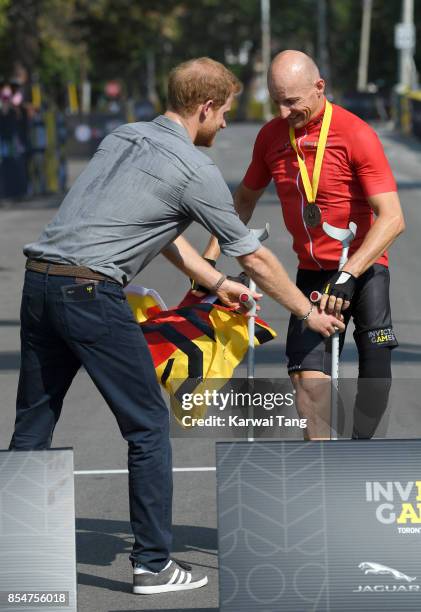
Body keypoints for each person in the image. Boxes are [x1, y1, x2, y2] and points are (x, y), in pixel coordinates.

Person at [10, 57, 343, 595]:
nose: (225, 124)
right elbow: (254, 258)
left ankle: (20, 563)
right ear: (205, 107)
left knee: (32, 427)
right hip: (91, 294)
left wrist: (214, 282)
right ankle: (153, 565)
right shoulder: (194, 167)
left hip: (41, 282)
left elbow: (156, 227)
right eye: (225, 113)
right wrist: (307, 312)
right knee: (146, 426)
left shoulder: (124, 136)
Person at [202, 50, 405, 440]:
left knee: (375, 385)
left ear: (319, 88)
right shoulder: (271, 137)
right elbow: (243, 201)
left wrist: (349, 273)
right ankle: (322, 471)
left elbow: (393, 217)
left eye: (292, 101)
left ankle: (360, 455)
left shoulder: (356, 134)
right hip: (311, 273)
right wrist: (209, 262)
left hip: (363, 267)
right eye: (276, 100)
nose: (282, 112)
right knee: (309, 386)